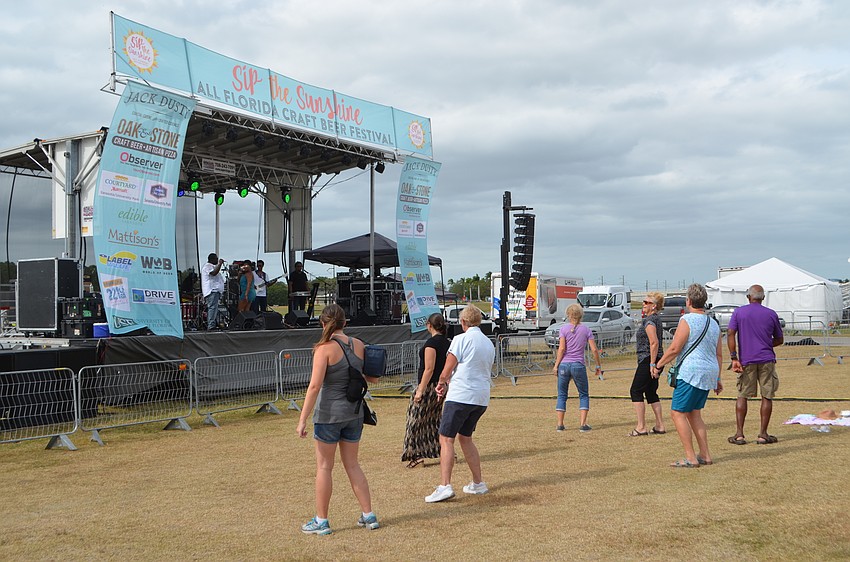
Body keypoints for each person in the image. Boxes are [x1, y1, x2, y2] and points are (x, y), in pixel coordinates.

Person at [296, 303, 380, 535]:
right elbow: (371, 377)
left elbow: (314, 386)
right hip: (354, 413)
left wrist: (302, 419)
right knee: (352, 464)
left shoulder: (324, 349)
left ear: (323, 323)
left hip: (328, 415)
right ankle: (368, 515)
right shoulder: (359, 345)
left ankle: (321, 521)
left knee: (324, 467)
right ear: (345, 323)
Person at [426, 305, 495, 503]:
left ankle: (445, 485)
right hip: (481, 397)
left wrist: (441, 384)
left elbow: (448, 368)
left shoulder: (460, 339)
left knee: (446, 438)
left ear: (463, 322)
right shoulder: (488, 343)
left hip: (461, 395)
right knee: (466, 437)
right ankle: (478, 483)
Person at [652, 284, 723, 468]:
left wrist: (658, 365)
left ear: (688, 301)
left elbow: (675, 348)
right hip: (709, 372)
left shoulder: (687, 320)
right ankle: (705, 454)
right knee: (694, 414)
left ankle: (691, 457)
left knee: (677, 413)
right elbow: (718, 354)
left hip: (691, 372)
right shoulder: (713, 323)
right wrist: (718, 378)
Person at [726, 284, 784, 445]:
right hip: (766, 359)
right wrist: (765, 344)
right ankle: (763, 434)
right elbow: (779, 339)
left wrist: (734, 357)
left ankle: (739, 434)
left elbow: (730, 333)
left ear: (748, 297)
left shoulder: (739, 312)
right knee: (767, 395)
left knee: (743, 394)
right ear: (763, 298)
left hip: (746, 360)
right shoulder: (771, 314)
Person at [402, 313, 450, 468]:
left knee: (414, 420)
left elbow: (428, 369)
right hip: (441, 386)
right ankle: (445, 451)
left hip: (429, 387)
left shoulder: (431, 344)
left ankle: (414, 455)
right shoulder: (447, 343)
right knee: (434, 421)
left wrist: (420, 390)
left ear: (429, 325)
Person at [552, 303, 601, 432]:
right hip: (578, 365)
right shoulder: (586, 330)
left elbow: (561, 349)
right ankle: (583, 424)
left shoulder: (563, 329)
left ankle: (560, 424)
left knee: (562, 394)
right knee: (583, 394)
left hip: (564, 365)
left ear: (568, 315)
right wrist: (598, 365)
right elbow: (594, 350)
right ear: (581, 315)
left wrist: (556, 365)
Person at [629, 292, 667, 436]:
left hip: (648, 359)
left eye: (646, 302)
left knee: (635, 390)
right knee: (651, 392)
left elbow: (654, 342)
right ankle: (659, 425)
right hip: (655, 359)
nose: (643, 305)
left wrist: (652, 364)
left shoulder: (650, 320)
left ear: (654, 306)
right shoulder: (656, 319)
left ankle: (641, 427)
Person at [200, 253, 225, 330]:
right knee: (212, 308)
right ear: (212, 259)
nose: (217, 260)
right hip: (211, 291)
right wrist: (220, 264)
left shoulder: (212, 266)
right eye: (216, 259)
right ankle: (211, 325)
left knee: (215, 308)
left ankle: (214, 323)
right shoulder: (207, 266)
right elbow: (214, 273)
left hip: (215, 291)